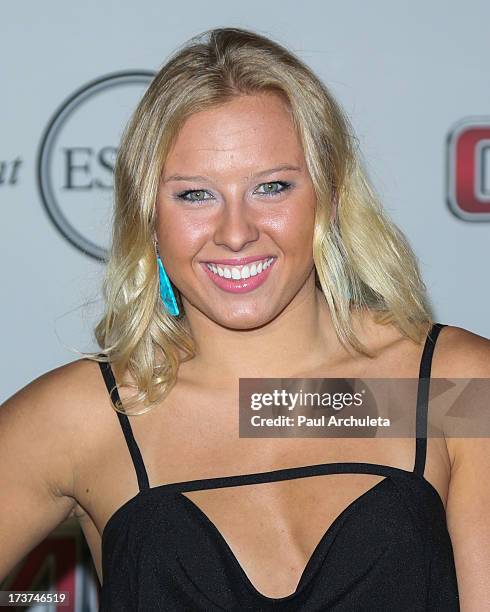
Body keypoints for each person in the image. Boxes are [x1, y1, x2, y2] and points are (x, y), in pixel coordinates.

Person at [1, 26, 489, 611]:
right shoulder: (86, 418)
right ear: (148, 216)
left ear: (329, 198)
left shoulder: (453, 389)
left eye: (272, 187)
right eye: (195, 195)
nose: (236, 234)